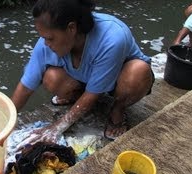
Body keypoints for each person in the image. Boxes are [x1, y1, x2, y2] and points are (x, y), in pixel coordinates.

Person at [11, 0, 154, 145]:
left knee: (138, 71)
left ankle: (118, 108)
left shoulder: (112, 37)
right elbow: (25, 87)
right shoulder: (46, 44)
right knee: (51, 77)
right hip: (86, 79)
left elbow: (93, 93)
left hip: (120, 80)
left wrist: (57, 127)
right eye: (43, 38)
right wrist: (5, 123)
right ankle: (78, 95)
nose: (46, 44)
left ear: (71, 28)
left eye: (50, 38)